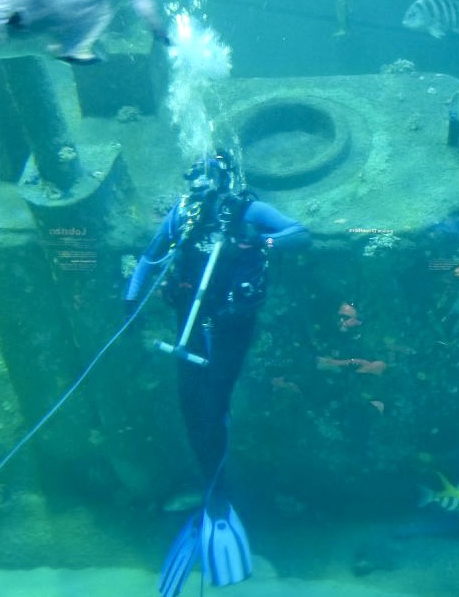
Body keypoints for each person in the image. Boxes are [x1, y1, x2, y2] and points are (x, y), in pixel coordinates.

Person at [125, 149, 309, 597]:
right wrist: (131, 300)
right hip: (187, 320)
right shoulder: (182, 214)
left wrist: (259, 242)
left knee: (213, 402)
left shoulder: (247, 209)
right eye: (197, 175)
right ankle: (211, 487)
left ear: (226, 177)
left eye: (211, 174)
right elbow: (151, 258)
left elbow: (300, 233)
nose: (203, 183)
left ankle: (220, 493)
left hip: (230, 322)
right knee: (189, 405)